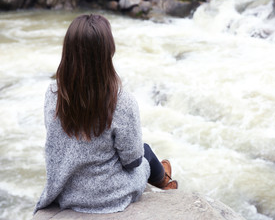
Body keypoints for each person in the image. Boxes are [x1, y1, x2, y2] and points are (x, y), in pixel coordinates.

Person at [34, 14, 178, 214]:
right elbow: (132, 161)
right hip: (110, 195)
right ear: (108, 51)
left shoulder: (53, 93)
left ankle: (163, 176)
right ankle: (164, 180)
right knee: (144, 153)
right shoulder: (122, 101)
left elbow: (58, 142)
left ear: (67, 50)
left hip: (66, 192)